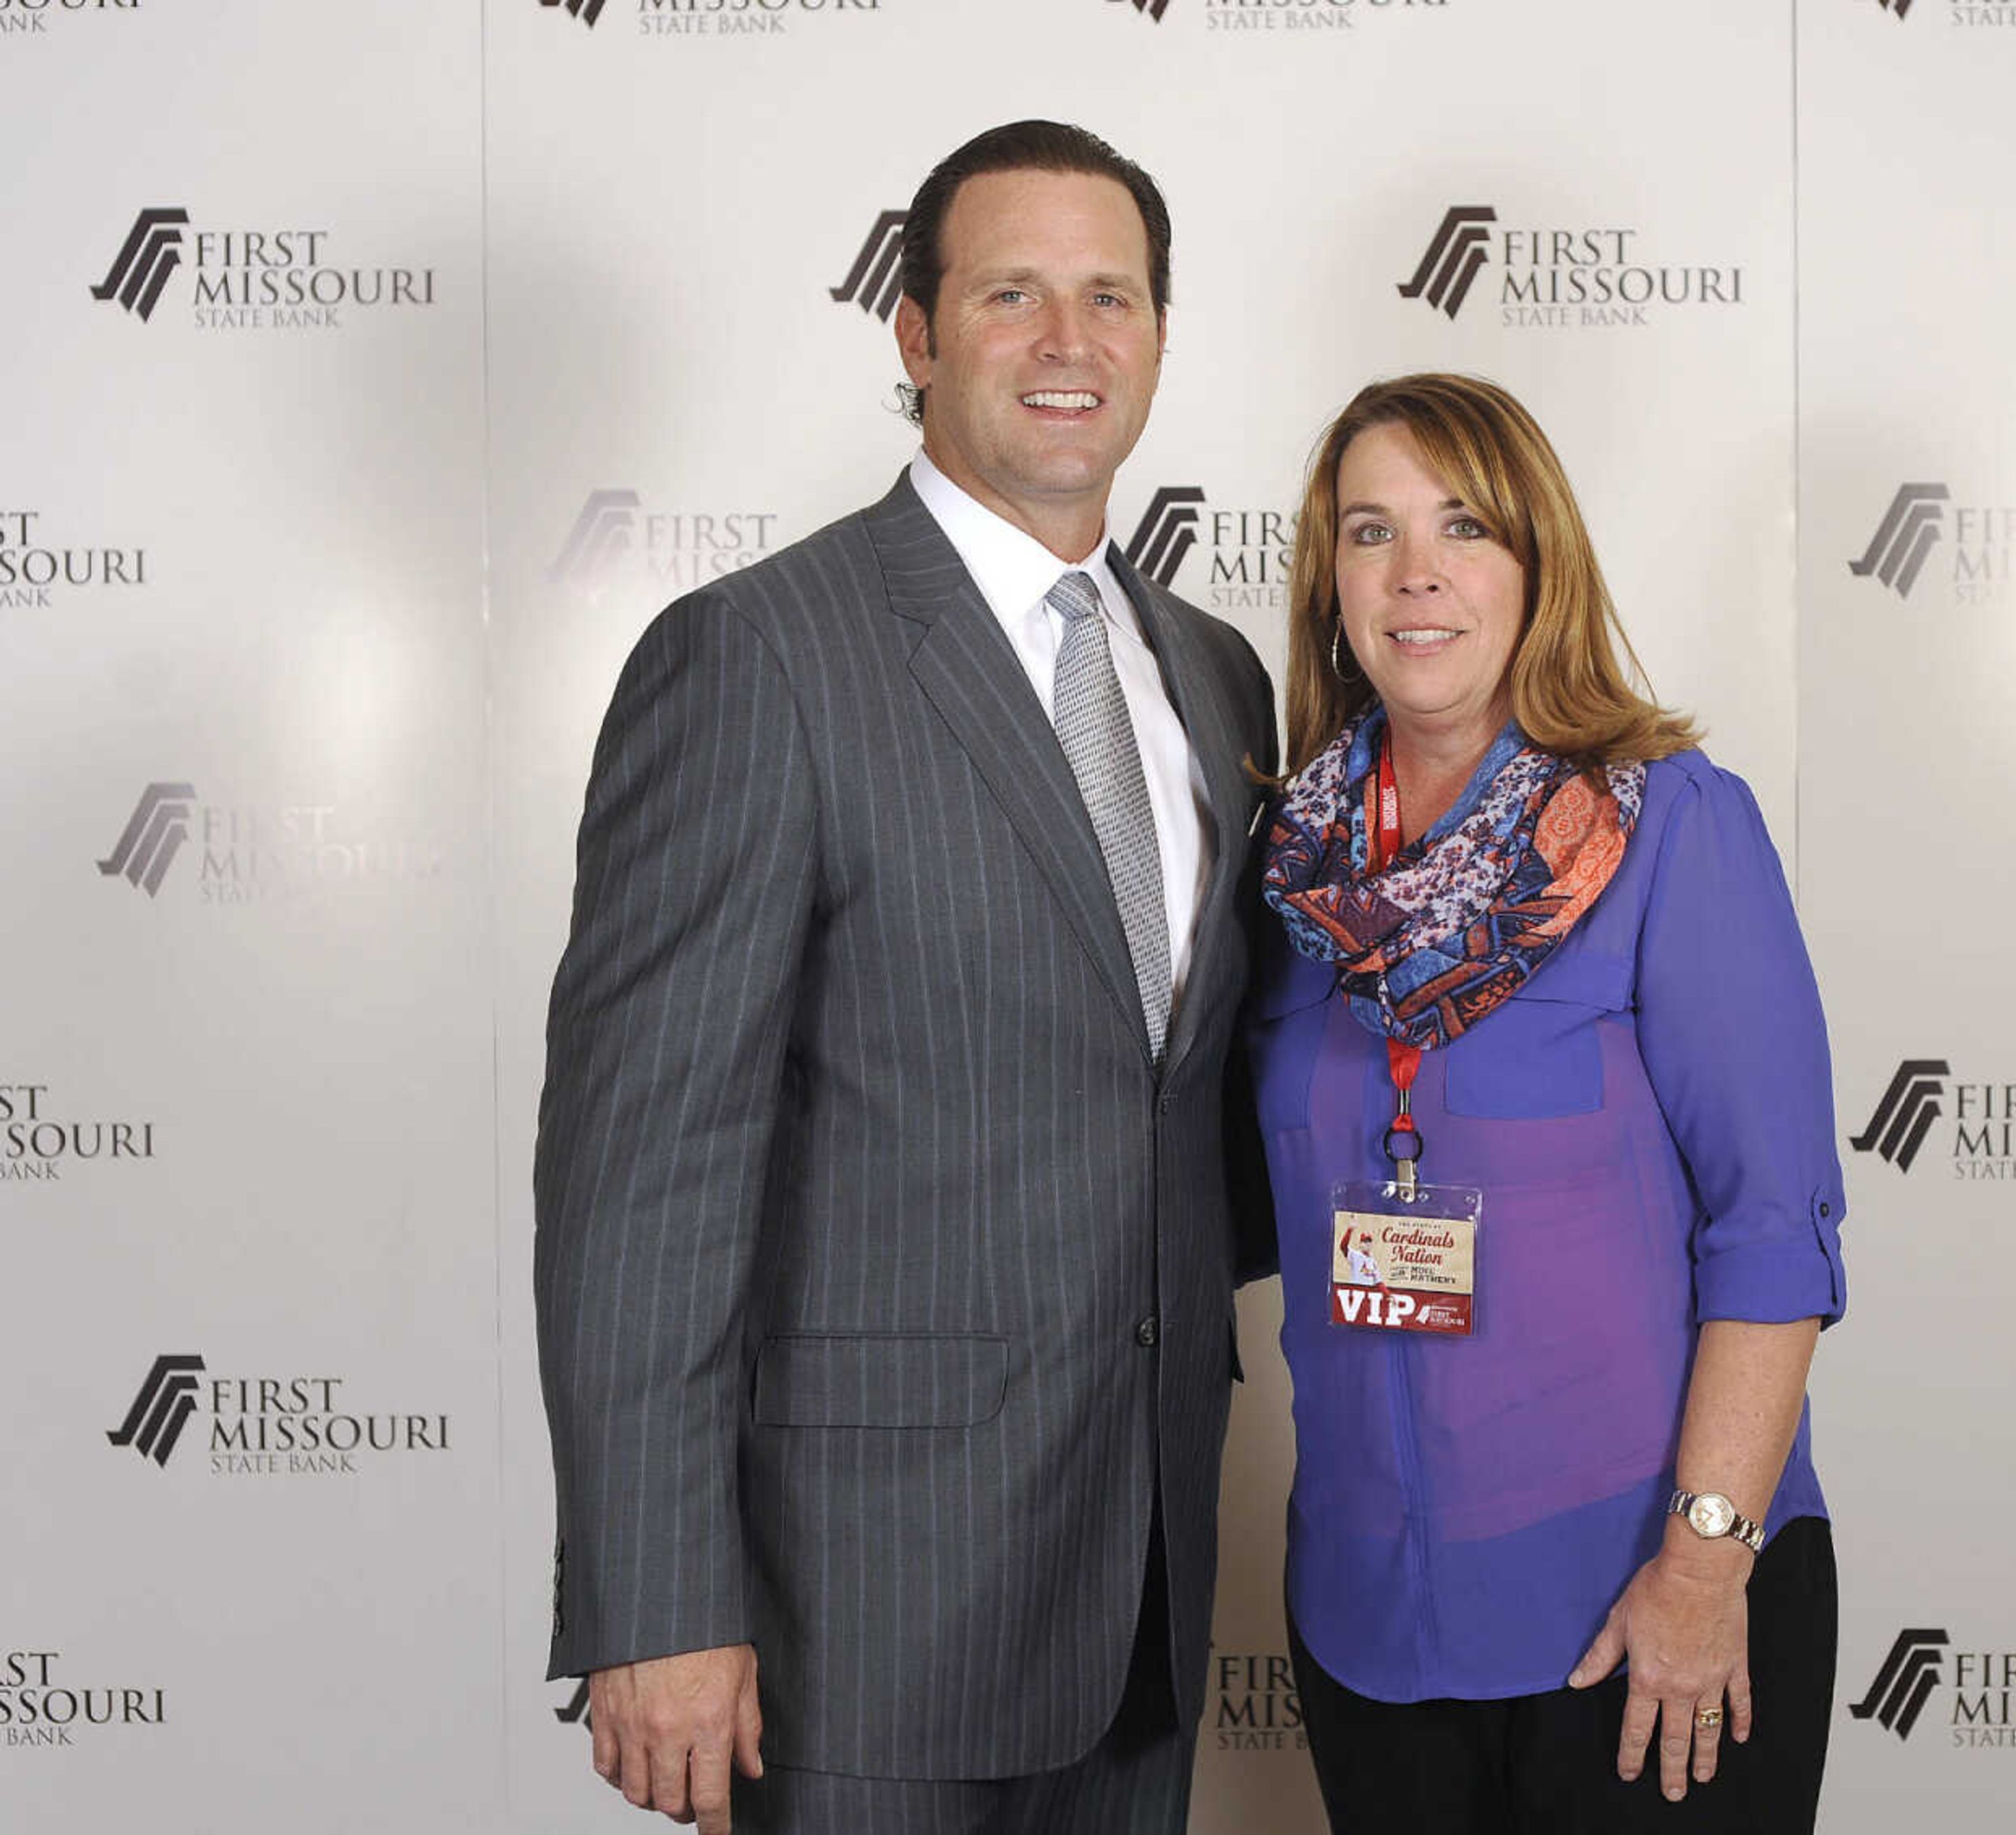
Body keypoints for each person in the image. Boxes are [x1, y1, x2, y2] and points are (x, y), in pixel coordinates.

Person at [533, 121, 1278, 1835]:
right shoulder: (756, 659)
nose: (1068, 342)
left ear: (1161, 334)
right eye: (1011, 293)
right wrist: (657, 1606)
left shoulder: (1220, 678)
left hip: (1150, 1593)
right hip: (855, 1619)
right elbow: (641, 1177)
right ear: (917, 335)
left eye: (1112, 297)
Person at [1247, 373, 1847, 1832]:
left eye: (1463, 526)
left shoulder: (1670, 825)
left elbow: (1774, 1233)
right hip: (1366, 1624)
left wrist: (1707, 1566)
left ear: (1539, 563)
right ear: (1331, 582)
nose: (1417, 573)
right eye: (1370, 531)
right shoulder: (1290, 872)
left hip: (1640, 1608)